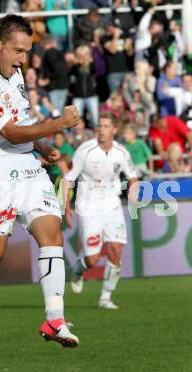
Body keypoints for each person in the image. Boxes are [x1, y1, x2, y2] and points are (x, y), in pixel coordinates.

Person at [0, 14, 81, 371]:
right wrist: (58, 124)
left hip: (28, 165)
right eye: (18, 50)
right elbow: (10, 133)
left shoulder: (14, 75)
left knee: (51, 232)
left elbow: (23, 125)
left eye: (27, 51)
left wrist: (43, 147)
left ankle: (54, 318)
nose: (23, 59)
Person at [64, 112, 138, 309]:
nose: (102, 130)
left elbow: (132, 175)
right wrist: (66, 207)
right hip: (88, 207)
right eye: (100, 126)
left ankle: (105, 297)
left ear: (114, 130)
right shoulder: (85, 151)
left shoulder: (121, 152)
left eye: (106, 126)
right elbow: (69, 178)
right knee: (93, 259)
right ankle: (80, 267)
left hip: (112, 205)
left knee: (115, 251)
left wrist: (133, 193)